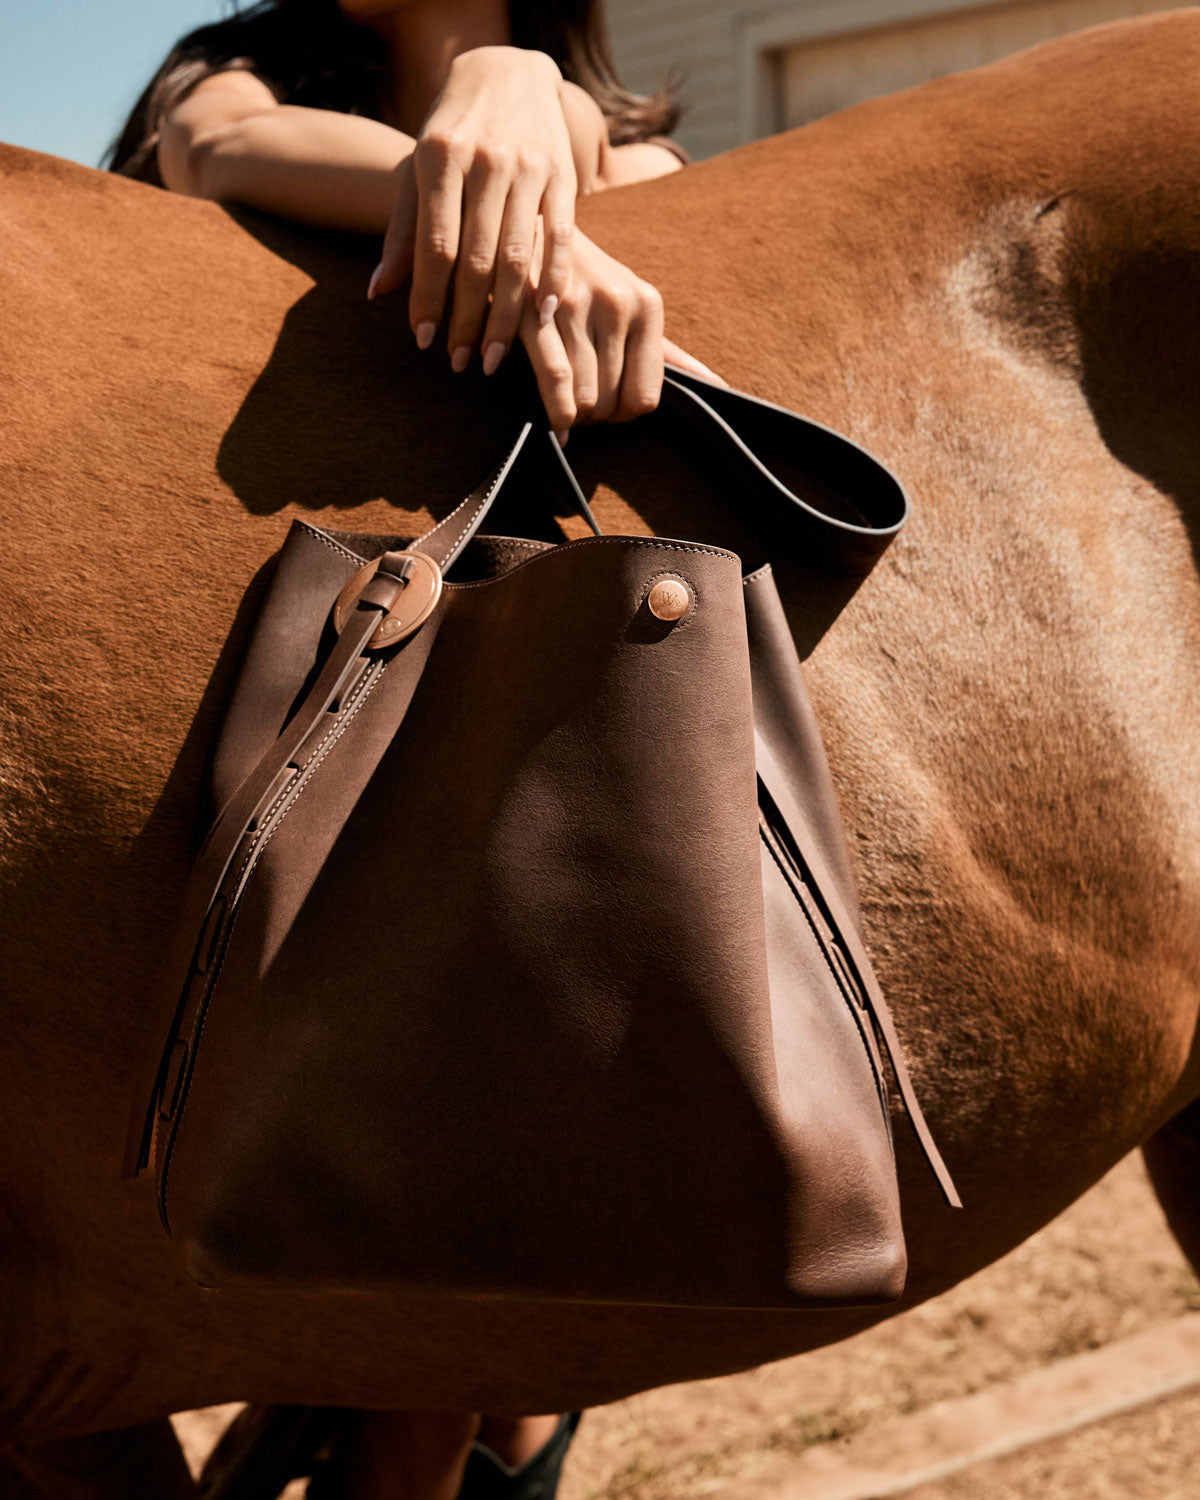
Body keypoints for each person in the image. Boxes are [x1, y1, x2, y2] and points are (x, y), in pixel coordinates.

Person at [108, 3, 707, 1496]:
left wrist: (527, 98)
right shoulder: (241, 76)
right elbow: (217, 145)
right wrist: (509, 187)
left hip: (513, 748)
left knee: (463, 1348)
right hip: (267, 712)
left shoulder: (628, 152)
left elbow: (633, 191)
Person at [109, 0, 714, 442]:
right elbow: (215, 142)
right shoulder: (239, 69)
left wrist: (513, 73)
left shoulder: (644, 156)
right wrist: (502, 222)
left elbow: (603, 167)